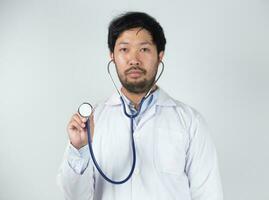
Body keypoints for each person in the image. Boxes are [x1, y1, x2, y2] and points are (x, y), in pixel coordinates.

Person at [57, 11, 223, 200]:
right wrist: (79, 149)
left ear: (160, 55)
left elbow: (208, 194)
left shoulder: (190, 122)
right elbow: (75, 197)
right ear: (112, 56)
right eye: (124, 49)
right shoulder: (92, 122)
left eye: (144, 49)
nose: (134, 59)